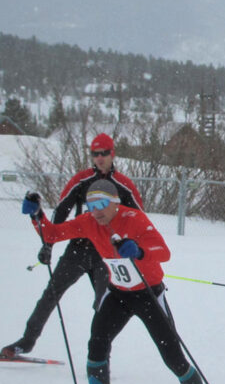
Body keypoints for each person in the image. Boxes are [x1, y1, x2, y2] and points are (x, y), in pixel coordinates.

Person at [21, 181, 225, 384]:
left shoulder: (134, 219)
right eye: (92, 205)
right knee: (97, 343)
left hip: (149, 294)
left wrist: (139, 251)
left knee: (173, 356)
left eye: (102, 204)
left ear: (115, 202)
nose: (96, 211)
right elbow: (51, 235)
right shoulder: (88, 222)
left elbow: (163, 252)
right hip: (118, 294)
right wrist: (37, 215)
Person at [3, 133, 144, 359]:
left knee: (104, 302)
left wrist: (134, 247)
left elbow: (139, 218)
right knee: (51, 294)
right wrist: (48, 245)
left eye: (103, 153)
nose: (99, 158)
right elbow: (61, 211)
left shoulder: (124, 185)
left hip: (106, 252)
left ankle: (99, 351)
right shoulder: (82, 180)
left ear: (112, 154)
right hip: (78, 248)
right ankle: (26, 342)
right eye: (95, 154)